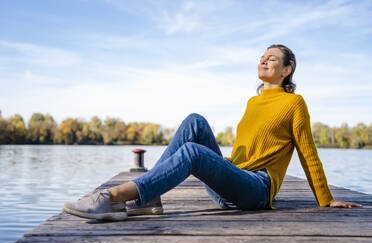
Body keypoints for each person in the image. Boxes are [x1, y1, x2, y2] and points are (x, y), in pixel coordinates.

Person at [63, 44, 362, 221]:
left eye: (272, 58)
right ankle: (149, 199)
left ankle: (113, 196)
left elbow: (307, 152)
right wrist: (226, 166)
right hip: (233, 180)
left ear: (287, 69)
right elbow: (244, 150)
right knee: (195, 121)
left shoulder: (294, 103)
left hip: (257, 189)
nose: (264, 59)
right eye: (262, 56)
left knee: (193, 153)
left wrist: (326, 199)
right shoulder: (253, 102)